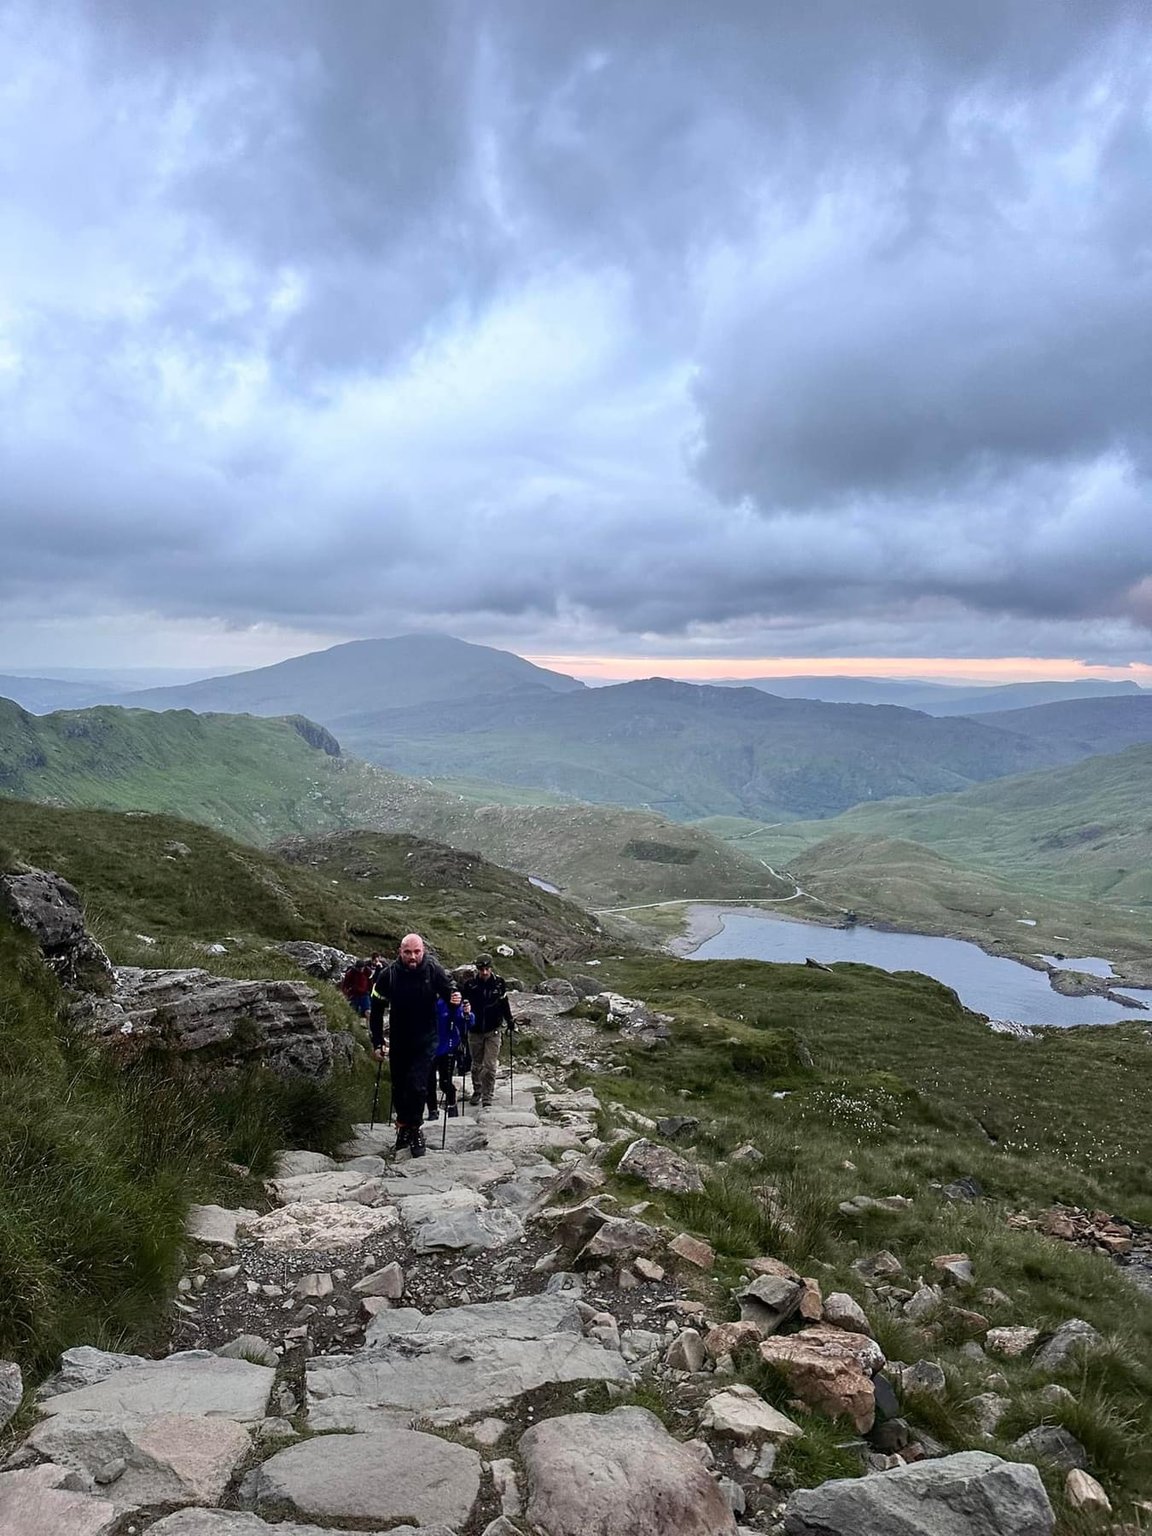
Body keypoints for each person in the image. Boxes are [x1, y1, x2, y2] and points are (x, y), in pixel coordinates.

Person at [369, 933, 456, 1157]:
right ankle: (403, 1126)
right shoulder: (388, 975)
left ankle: (415, 1128)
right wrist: (377, 1041)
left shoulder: (433, 970)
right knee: (400, 1087)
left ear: (423, 951)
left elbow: (450, 995)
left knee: (417, 1085)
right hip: (399, 1039)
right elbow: (376, 1010)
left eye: (417, 952)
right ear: (400, 952)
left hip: (426, 1038)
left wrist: (456, 1001)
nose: (413, 957)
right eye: (408, 952)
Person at [461, 953, 513, 1108]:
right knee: (476, 1065)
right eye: (481, 969)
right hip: (475, 1030)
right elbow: (463, 1007)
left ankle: (487, 1095)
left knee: (490, 1066)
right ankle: (477, 1090)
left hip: (493, 1030)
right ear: (477, 969)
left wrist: (510, 1020)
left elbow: (504, 1002)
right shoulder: (470, 985)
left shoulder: (499, 983)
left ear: (491, 968)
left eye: (487, 969)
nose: (484, 972)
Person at [425, 992, 467, 1121]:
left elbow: (463, 1022)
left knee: (445, 1082)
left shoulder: (450, 1002)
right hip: (429, 1048)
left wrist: (467, 1014)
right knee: (429, 1082)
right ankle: (432, 1111)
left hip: (447, 1047)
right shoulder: (425, 1000)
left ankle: (452, 1104)